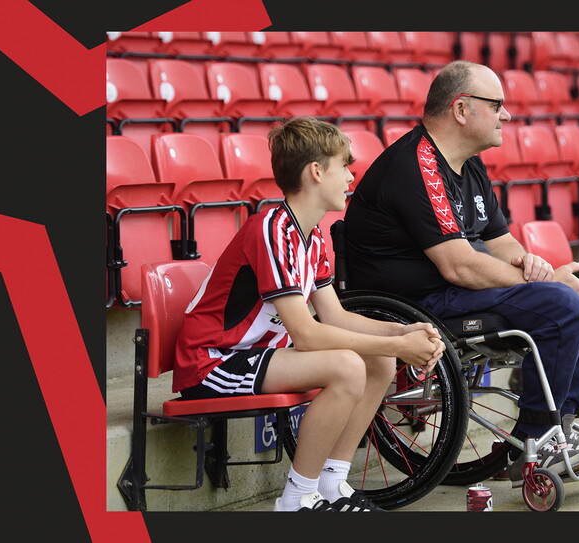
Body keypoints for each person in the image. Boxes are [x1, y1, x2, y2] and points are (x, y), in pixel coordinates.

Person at [343, 60, 579, 487]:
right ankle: (538, 438)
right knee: (561, 303)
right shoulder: (416, 165)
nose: (506, 115)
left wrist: (533, 265)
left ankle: (562, 426)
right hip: (416, 303)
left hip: (454, 290)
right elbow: (458, 264)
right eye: (497, 105)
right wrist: (548, 282)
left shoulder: (469, 163)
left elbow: (501, 241)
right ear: (461, 110)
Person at [172, 117, 445, 512]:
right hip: (213, 362)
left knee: (379, 361)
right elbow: (307, 335)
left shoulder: (311, 235)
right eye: (344, 166)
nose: (351, 177)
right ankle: (297, 499)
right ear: (316, 171)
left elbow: (335, 317)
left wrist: (402, 332)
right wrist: (399, 345)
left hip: (260, 356)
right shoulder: (271, 229)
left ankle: (333, 483)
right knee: (348, 367)